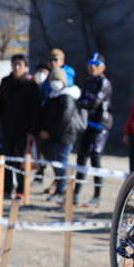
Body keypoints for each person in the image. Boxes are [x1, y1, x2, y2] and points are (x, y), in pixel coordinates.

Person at [0, 54, 41, 198]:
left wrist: (32, 131)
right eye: (14, 64)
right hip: (7, 130)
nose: (17, 67)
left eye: (20, 64)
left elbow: (36, 110)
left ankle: (21, 190)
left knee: (22, 161)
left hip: (25, 132)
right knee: (6, 160)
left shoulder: (31, 85)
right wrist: (2, 118)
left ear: (25, 67)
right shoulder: (6, 82)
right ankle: (6, 189)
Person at [74, 53, 112, 208]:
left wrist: (84, 102)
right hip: (89, 123)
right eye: (90, 64)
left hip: (101, 125)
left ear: (103, 67)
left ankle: (97, 196)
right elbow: (82, 100)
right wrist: (84, 102)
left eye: (96, 65)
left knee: (95, 157)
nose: (92, 67)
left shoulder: (104, 82)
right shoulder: (89, 80)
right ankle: (75, 194)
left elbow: (93, 103)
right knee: (81, 157)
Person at [38, 69, 82, 201]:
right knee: (56, 164)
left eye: (57, 80)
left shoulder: (67, 97)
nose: (54, 83)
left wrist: (50, 132)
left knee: (62, 164)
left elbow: (64, 119)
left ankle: (63, 191)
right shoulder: (53, 96)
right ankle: (59, 189)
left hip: (65, 137)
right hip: (54, 137)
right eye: (52, 80)